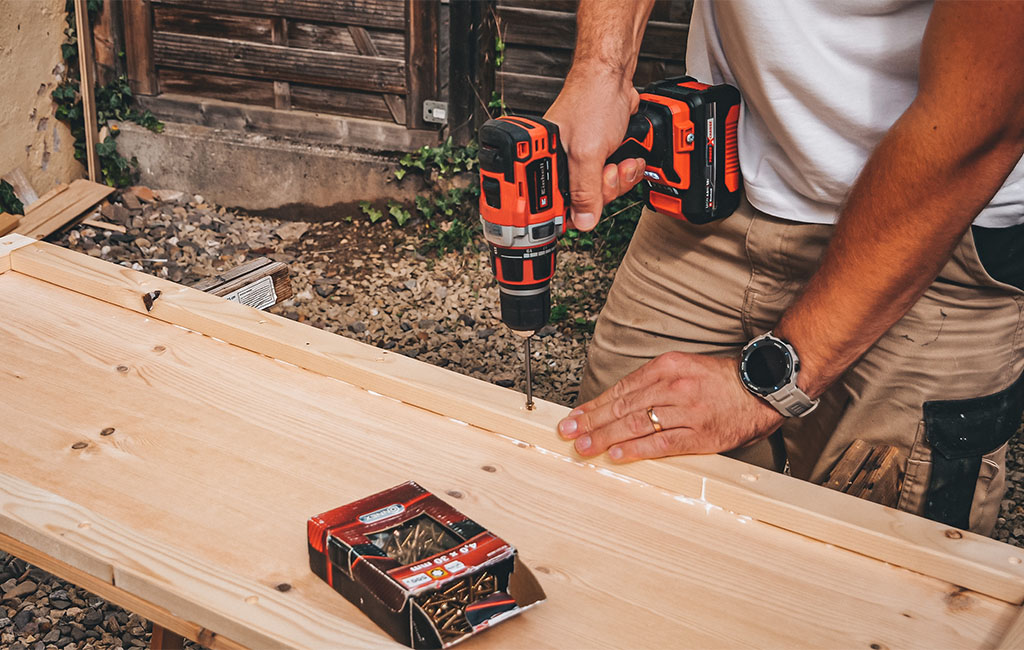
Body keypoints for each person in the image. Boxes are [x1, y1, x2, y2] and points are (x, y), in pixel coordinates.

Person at [548, 0, 1024, 534]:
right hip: (712, 187)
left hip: (930, 233)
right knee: (618, 499)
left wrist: (764, 386)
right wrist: (601, 69)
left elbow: (981, 123)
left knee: (877, 571)